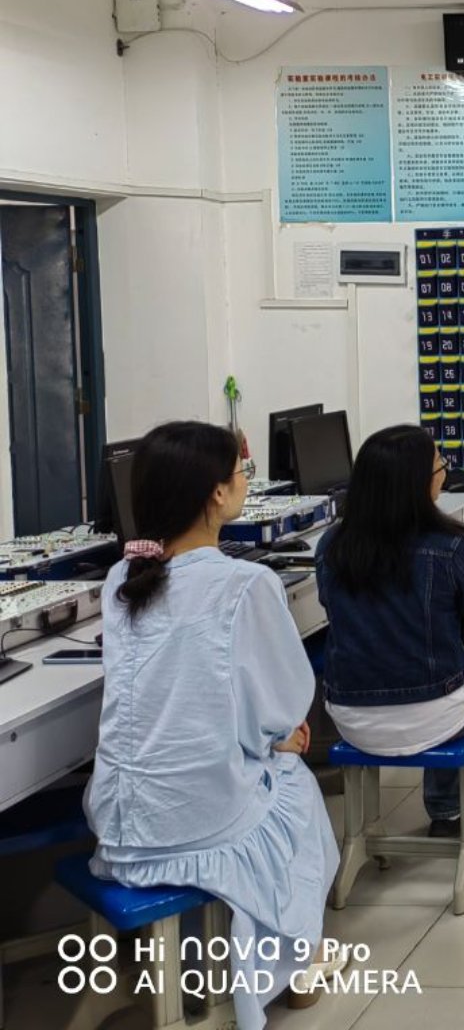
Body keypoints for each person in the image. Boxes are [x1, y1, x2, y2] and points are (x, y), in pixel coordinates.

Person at [85, 421, 341, 1029]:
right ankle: (298, 957)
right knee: (295, 786)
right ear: (216, 494)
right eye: (240, 472)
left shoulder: (122, 579)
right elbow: (282, 702)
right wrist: (278, 738)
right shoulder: (245, 583)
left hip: (118, 826)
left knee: (266, 759)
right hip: (198, 824)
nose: (247, 480)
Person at [316, 425, 464, 836]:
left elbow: (333, 610)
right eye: (440, 466)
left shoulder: (331, 546)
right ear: (417, 483)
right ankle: (460, 797)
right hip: (437, 715)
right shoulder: (452, 547)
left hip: (351, 717)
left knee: (455, 666)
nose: (445, 473)